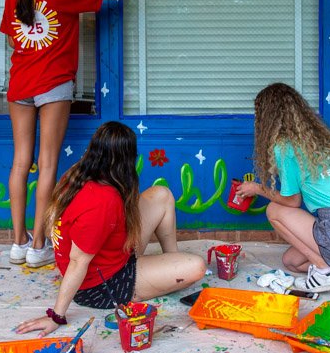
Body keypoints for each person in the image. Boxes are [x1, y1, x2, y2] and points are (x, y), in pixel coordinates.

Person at [0, 0, 131, 267]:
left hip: (19, 85)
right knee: (47, 164)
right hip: (53, 84)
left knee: (19, 162)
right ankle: (38, 245)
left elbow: (13, 40)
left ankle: (18, 243)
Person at [15, 121, 206, 335]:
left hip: (113, 253)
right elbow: (78, 262)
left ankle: (171, 260)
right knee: (196, 266)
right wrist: (56, 316)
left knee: (161, 194)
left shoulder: (79, 172)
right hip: (103, 285)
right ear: (126, 159)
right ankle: (170, 270)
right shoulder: (102, 200)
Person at [235, 83, 330, 293]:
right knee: (291, 261)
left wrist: (257, 188)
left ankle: (326, 271)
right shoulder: (320, 140)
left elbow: (292, 202)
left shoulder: (284, 147)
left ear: (268, 117)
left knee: (274, 210)